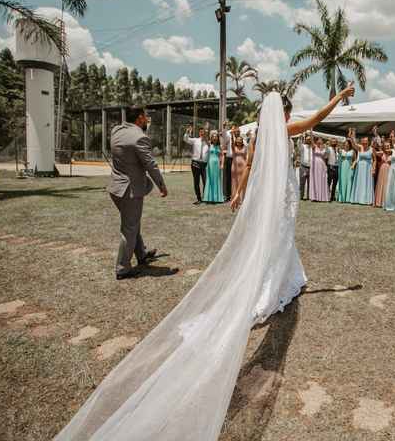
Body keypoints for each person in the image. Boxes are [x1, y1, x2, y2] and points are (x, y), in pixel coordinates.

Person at [57, 88, 356, 441]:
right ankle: (274, 283)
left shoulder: (263, 133)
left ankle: (289, 274)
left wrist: (240, 191)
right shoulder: (282, 131)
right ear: (284, 114)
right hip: (284, 194)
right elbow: (316, 120)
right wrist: (339, 96)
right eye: (287, 114)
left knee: (280, 239)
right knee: (280, 236)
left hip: (278, 193)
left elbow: (254, 165)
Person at [106, 107, 168, 280]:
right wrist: (161, 185)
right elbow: (150, 164)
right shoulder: (139, 137)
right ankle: (122, 268)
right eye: (146, 117)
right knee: (130, 228)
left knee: (132, 223)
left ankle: (141, 254)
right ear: (140, 118)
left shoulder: (116, 131)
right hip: (130, 191)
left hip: (115, 189)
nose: (147, 121)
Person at [184, 125, 208, 205]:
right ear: (199, 133)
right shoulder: (195, 140)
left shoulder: (208, 142)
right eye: (201, 132)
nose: (202, 133)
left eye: (203, 132)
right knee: (196, 181)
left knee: (205, 181)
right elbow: (186, 139)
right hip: (195, 163)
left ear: (205, 133)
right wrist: (187, 132)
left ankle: (205, 198)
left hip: (205, 164)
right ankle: (199, 199)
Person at [350, 136, 375, 205]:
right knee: (360, 182)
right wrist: (351, 138)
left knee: (366, 182)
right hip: (360, 168)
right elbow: (353, 145)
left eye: (366, 142)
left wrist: (373, 168)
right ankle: (358, 199)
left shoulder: (372, 149)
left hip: (368, 168)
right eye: (363, 142)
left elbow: (375, 160)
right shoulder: (360, 148)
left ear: (368, 142)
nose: (364, 143)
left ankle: (366, 199)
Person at [203, 130, 224, 203]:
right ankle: (209, 198)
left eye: (216, 136)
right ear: (211, 138)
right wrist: (206, 131)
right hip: (210, 164)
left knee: (217, 179)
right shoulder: (209, 144)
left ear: (217, 138)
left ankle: (217, 198)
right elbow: (205, 139)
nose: (215, 138)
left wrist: (222, 164)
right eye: (213, 137)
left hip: (217, 164)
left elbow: (222, 155)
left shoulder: (220, 146)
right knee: (210, 179)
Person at [221, 122, 239, 201]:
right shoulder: (228, 136)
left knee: (235, 178)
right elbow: (224, 135)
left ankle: (234, 194)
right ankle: (226, 195)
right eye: (233, 128)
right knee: (227, 177)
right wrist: (224, 127)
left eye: (235, 129)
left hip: (236, 160)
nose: (234, 130)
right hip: (228, 158)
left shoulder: (239, 138)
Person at [337, 134, 356, 203]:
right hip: (342, 167)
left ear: (350, 145)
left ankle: (348, 198)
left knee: (349, 181)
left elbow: (355, 159)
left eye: (348, 144)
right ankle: (341, 198)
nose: (346, 145)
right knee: (342, 181)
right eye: (345, 144)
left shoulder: (353, 151)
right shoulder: (341, 151)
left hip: (349, 167)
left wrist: (353, 165)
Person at [309, 137, 330, 202]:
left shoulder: (324, 148)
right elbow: (312, 141)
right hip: (315, 165)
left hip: (322, 165)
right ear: (316, 141)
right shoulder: (314, 146)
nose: (320, 141)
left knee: (322, 179)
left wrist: (327, 148)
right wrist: (311, 132)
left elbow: (326, 157)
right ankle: (315, 197)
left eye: (321, 140)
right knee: (315, 179)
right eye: (318, 140)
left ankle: (322, 197)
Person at [373, 141, 392, 207]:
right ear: (384, 147)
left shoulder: (392, 153)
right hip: (382, 169)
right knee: (381, 184)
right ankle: (379, 202)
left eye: (388, 146)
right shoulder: (382, 153)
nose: (387, 147)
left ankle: (386, 202)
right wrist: (374, 146)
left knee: (388, 184)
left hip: (389, 170)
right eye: (386, 146)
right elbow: (374, 152)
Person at [299, 134, 312, 200]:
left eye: (310, 139)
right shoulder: (303, 146)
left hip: (311, 167)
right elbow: (299, 145)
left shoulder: (312, 148)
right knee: (302, 182)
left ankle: (309, 196)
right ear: (305, 140)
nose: (309, 140)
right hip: (303, 167)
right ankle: (301, 196)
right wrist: (300, 138)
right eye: (307, 139)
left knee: (310, 183)